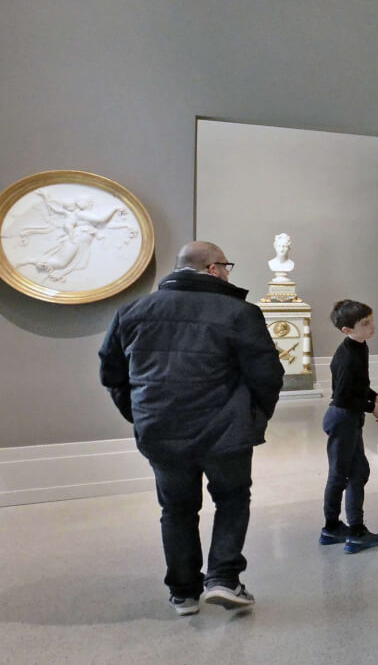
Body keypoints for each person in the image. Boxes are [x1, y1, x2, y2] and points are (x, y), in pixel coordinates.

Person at [97, 241, 284, 615]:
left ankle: (183, 593)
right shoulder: (239, 312)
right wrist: (255, 415)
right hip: (225, 430)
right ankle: (224, 579)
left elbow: (112, 373)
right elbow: (267, 374)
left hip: (160, 430)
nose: (229, 273)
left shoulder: (132, 311)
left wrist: (140, 414)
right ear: (213, 269)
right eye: (226, 266)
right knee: (232, 500)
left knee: (177, 509)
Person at [320, 300, 378, 552]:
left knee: (355, 472)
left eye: (371, 320)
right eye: (365, 324)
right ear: (347, 330)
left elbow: (358, 385)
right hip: (342, 418)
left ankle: (339, 528)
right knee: (344, 474)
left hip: (348, 418)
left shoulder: (359, 347)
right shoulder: (347, 356)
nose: (372, 327)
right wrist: (372, 407)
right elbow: (343, 396)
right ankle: (347, 530)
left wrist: (374, 396)